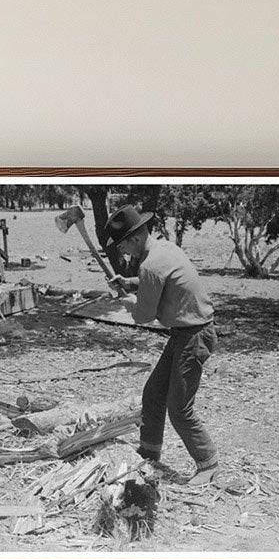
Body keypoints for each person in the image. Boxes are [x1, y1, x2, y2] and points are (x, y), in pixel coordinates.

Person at [104, 205, 218, 479]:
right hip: (185, 334)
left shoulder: (150, 265)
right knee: (153, 394)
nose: (123, 253)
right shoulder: (164, 249)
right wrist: (131, 283)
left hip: (194, 337)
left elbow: (143, 315)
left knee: (179, 408)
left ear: (134, 239)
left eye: (123, 247)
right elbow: (158, 280)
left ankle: (208, 463)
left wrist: (127, 301)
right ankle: (149, 452)